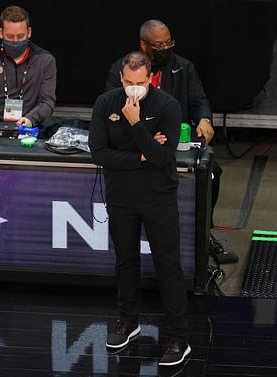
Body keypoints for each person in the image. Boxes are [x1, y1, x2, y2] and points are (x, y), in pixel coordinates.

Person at [89, 51, 191, 366]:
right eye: (130, 82)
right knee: (126, 262)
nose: (135, 88)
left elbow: (162, 159)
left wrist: (134, 126)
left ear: (150, 79)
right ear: (121, 79)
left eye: (141, 82)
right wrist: (142, 153)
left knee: (167, 266)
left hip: (158, 198)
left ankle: (178, 337)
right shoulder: (105, 104)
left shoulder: (168, 107)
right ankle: (128, 321)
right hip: (120, 198)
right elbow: (99, 153)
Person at [106, 19, 225, 256]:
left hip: (173, 139)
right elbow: (111, 105)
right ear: (144, 46)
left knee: (213, 173)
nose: (165, 49)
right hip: (135, 140)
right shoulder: (123, 70)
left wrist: (204, 119)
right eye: (158, 45)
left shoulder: (184, 68)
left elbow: (199, 101)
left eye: (168, 42)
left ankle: (203, 231)